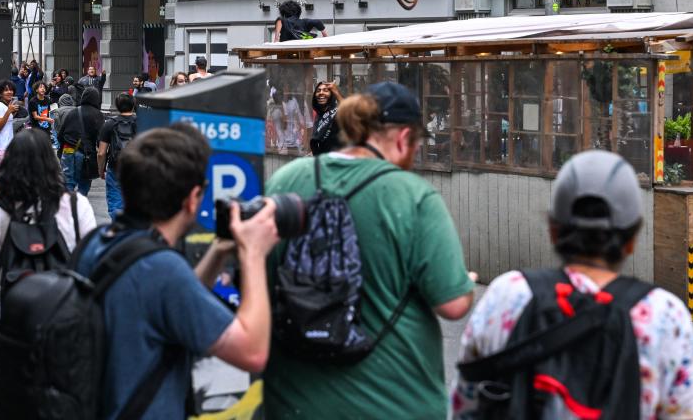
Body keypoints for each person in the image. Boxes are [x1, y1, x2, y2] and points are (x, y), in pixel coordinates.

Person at [262, 82, 476, 419]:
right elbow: (452, 304)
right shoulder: (413, 195)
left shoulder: (286, 180)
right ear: (404, 138)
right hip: (392, 403)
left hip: (294, 403)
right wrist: (462, 280)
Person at [452, 150, 693, 420]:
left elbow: (465, 404)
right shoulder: (665, 315)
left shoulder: (508, 295)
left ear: (554, 231)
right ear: (632, 239)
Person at [74, 124, 280, 419]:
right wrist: (255, 254)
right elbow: (252, 352)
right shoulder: (162, 269)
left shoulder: (99, 243)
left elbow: (168, 305)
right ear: (193, 199)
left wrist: (217, 253)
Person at [0, 128, 98, 286]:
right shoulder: (77, 205)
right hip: (67, 302)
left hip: (18, 304)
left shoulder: (0, 211)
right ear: (52, 162)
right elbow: (91, 263)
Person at [57, 86, 104, 196]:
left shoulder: (73, 112)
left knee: (68, 181)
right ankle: (79, 204)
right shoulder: (98, 115)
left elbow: (61, 134)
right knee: (84, 182)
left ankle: (69, 205)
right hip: (85, 153)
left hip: (68, 149)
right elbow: (100, 138)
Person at [97, 93, 136, 220]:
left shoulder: (109, 124)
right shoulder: (141, 122)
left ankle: (119, 229)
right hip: (137, 167)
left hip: (115, 167)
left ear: (117, 106)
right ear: (133, 105)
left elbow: (101, 152)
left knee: (116, 203)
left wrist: (101, 170)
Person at [309, 81, 342, 156]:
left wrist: (336, 92)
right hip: (323, 161)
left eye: (325, 90)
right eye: (318, 90)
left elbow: (349, 113)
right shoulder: (319, 115)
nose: (321, 93)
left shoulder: (337, 111)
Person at [30, 81, 57, 149]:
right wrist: (47, 119)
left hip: (46, 127)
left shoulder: (47, 99)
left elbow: (48, 112)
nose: (43, 89)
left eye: (44, 87)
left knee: (46, 147)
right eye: (41, 87)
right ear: (36, 90)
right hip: (37, 128)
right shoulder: (33, 101)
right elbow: (35, 117)